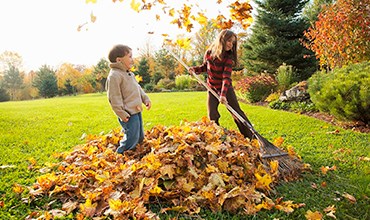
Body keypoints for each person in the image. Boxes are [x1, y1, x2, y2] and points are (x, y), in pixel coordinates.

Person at [189, 29, 254, 140]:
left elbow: (226, 78)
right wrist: (195, 69)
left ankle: (251, 136)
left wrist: (223, 94)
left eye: (232, 42)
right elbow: (205, 67)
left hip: (226, 89)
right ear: (221, 40)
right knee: (212, 114)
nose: (231, 44)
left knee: (236, 112)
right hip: (212, 88)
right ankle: (216, 138)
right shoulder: (209, 53)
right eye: (229, 41)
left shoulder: (228, 58)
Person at [105, 44, 151, 153]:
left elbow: (137, 88)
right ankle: (121, 154)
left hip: (136, 109)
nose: (132, 59)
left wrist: (146, 99)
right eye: (130, 57)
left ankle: (136, 152)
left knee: (139, 136)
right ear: (119, 60)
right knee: (131, 137)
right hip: (128, 113)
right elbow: (114, 97)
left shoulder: (130, 74)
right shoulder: (115, 76)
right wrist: (121, 113)